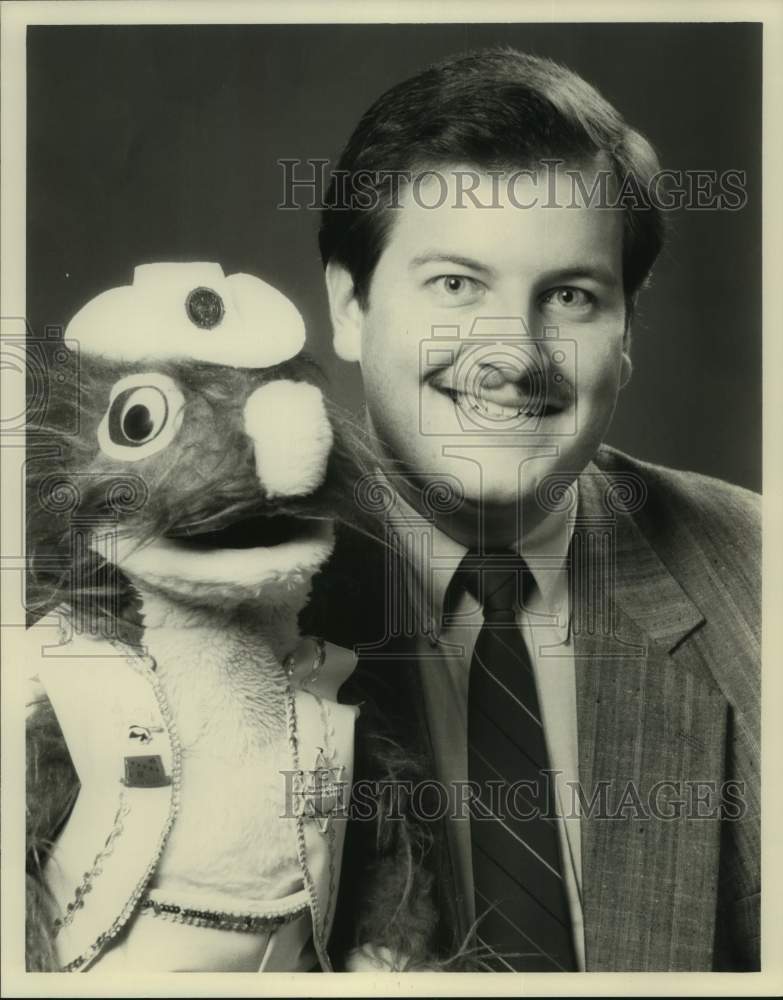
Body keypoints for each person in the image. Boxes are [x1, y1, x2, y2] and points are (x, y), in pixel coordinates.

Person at [304, 48, 761, 972]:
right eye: (456, 285)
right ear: (350, 306)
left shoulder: (759, 577)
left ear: (625, 335)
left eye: (569, 296)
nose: (512, 352)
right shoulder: (222, 587)